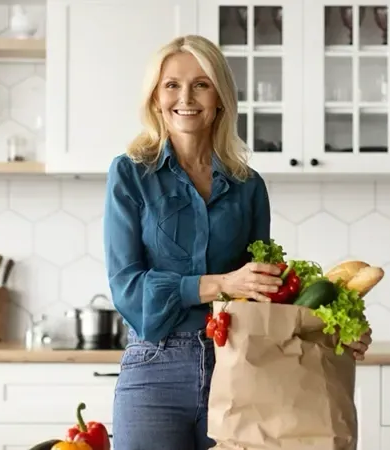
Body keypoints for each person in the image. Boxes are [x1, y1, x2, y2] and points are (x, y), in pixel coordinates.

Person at [103, 34, 373, 450]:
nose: (185, 97)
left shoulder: (248, 186)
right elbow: (127, 287)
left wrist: (331, 330)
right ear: (156, 98)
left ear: (220, 98)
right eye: (171, 84)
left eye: (201, 83)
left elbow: (263, 294)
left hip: (237, 362)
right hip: (154, 369)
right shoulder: (131, 174)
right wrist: (221, 284)